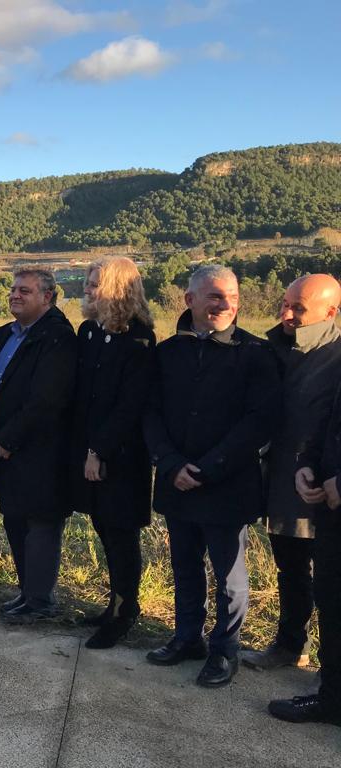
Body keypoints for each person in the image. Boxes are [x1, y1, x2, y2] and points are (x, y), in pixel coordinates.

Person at [143, 265, 281, 688]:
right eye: (216, 296)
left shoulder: (255, 354)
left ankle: (225, 650)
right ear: (190, 301)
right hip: (176, 482)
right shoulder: (165, 353)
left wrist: (208, 468)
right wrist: (169, 463)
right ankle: (188, 638)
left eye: (232, 296)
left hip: (228, 486)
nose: (226, 305)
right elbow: (150, 414)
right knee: (184, 566)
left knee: (230, 577)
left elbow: (259, 422)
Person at [245, 274, 341, 672]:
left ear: (331, 311)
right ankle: (289, 646)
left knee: (331, 581)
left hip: (328, 486)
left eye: (297, 308)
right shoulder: (275, 349)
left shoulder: (337, 357)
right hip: (283, 481)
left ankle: (330, 669)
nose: (285, 313)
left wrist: (320, 471)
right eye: (285, 303)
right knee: (291, 568)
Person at [68, 258, 156, 646]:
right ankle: (113, 604)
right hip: (89, 450)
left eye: (93, 284)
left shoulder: (139, 338)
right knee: (103, 527)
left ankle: (124, 612)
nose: (86, 289)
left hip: (120, 457)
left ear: (118, 289)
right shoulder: (89, 331)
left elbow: (129, 405)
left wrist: (98, 452)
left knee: (121, 533)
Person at [0, 268, 77, 625]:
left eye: (24, 290)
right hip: (3, 449)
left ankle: (41, 600)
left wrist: (10, 438)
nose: (15, 295)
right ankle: (27, 592)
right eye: (13, 289)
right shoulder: (7, 334)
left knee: (41, 523)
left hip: (38, 450)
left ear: (48, 297)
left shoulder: (57, 337)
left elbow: (47, 399)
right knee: (15, 519)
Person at [268, 378, 341, 726]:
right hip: (330, 509)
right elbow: (329, 426)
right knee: (331, 600)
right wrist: (307, 466)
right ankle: (332, 699)